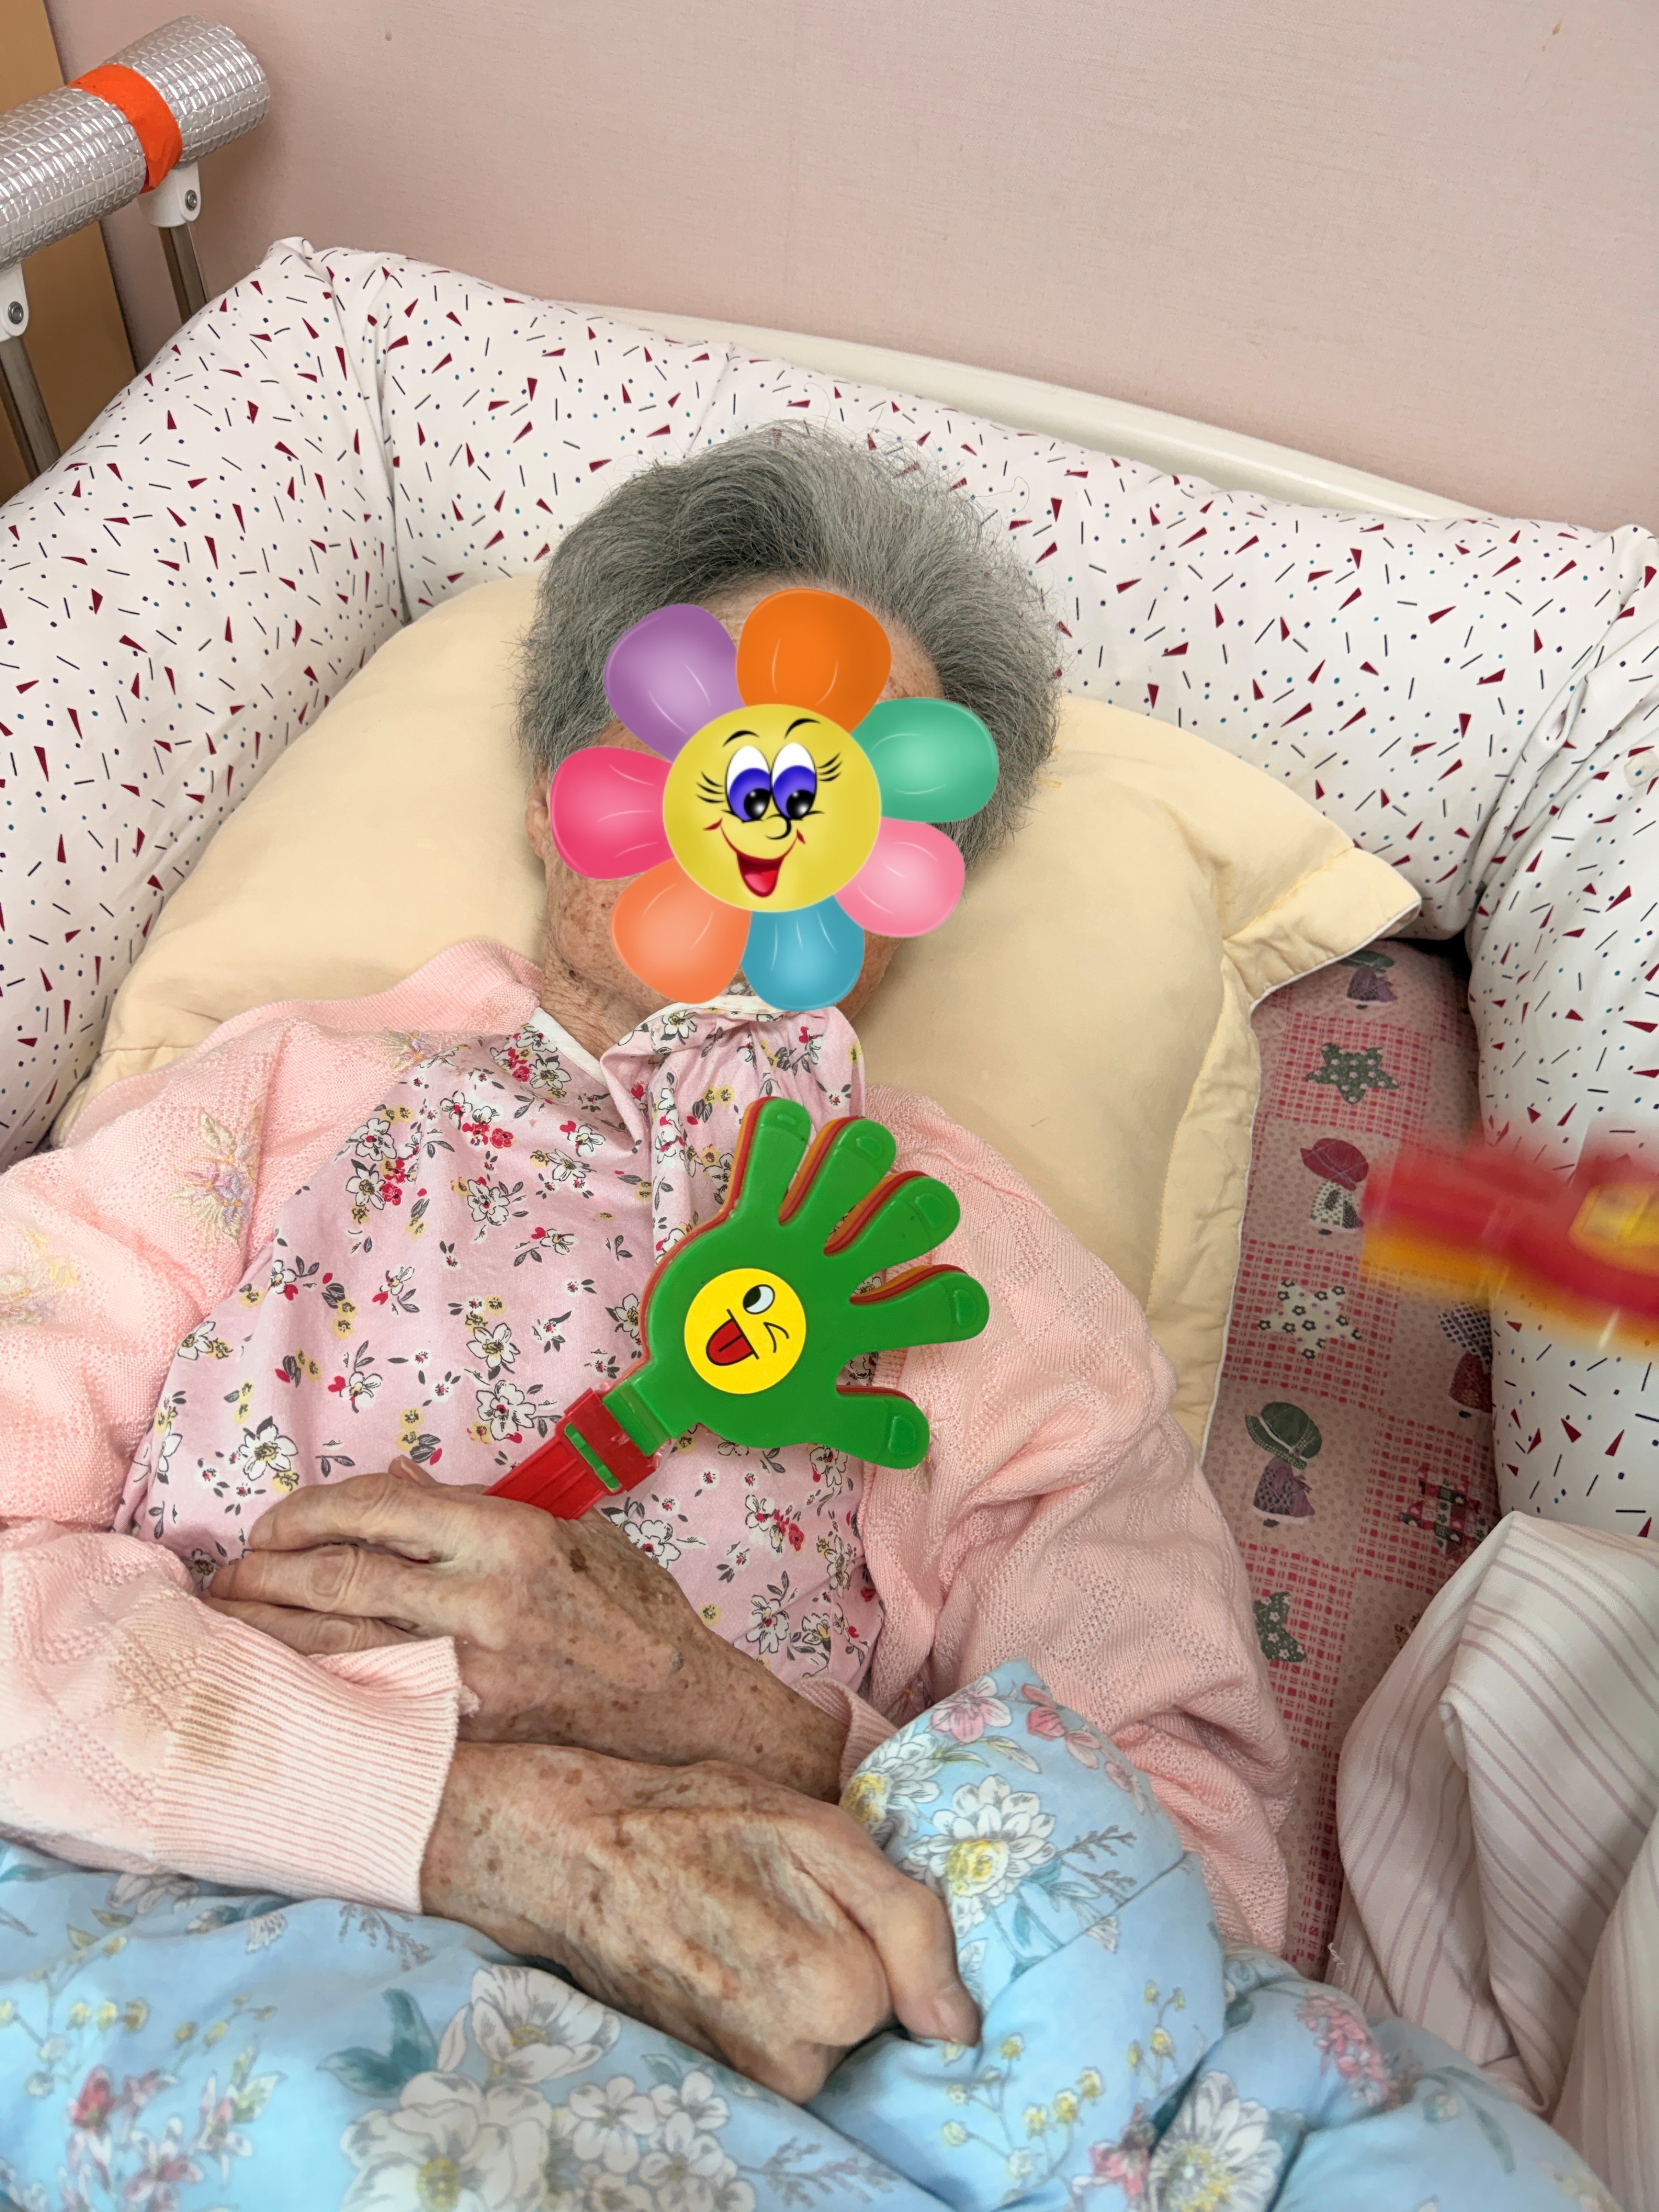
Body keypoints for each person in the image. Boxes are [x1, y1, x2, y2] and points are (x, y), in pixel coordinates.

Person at [0, 427, 1292, 2104]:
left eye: (856, 780)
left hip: (676, 2089)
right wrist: (474, 1826)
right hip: (120, 1942)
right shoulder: (273, 1095)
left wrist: (735, 1724)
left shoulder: (976, 1272)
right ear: (567, 796)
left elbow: (1206, 1898)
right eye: (707, 733)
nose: (770, 809)